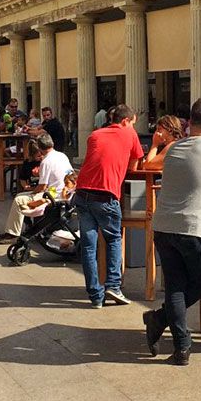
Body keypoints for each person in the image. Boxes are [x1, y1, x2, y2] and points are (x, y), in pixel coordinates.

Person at [143, 99, 201, 365]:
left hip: (163, 225)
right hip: (192, 227)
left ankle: (181, 346)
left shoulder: (174, 148)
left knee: (175, 285)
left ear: (189, 123)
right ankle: (160, 319)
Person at [73, 103, 144, 308]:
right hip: (106, 194)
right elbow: (135, 164)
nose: (133, 127)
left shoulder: (95, 134)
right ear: (125, 121)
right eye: (132, 123)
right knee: (113, 239)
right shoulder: (129, 135)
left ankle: (95, 295)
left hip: (83, 191)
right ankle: (113, 284)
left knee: (89, 245)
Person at [0, 134, 73, 244]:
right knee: (23, 197)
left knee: (19, 199)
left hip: (54, 196)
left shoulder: (46, 162)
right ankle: (21, 227)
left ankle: (13, 233)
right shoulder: (62, 155)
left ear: (40, 147)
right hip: (65, 192)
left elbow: (42, 186)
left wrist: (32, 192)